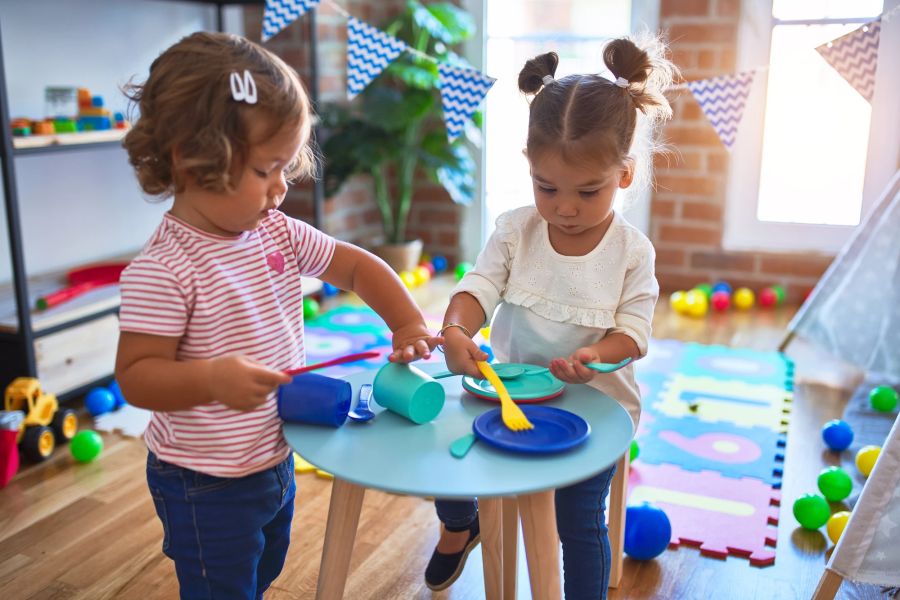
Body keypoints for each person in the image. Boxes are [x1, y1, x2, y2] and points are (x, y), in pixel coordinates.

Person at [114, 32, 441, 599]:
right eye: (267, 169)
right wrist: (211, 379)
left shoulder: (276, 232)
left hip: (273, 456)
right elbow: (136, 375)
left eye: (286, 167)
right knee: (224, 588)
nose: (282, 188)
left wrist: (407, 322)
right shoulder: (163, 270)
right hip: (202, 481)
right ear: (192, 162)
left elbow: (358, 268)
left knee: (265, 570)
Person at [425, 36, 676, 598]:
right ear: (529, 167)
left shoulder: (632, 252)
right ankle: (460, 523)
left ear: (625, 175)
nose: (565, 207)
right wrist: (456, 328)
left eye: (589, 191)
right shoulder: (517, 229)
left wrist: (595, 356)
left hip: (597, 407)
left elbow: (633, 334)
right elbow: (478, 287)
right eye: (547, 187)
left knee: (577, 521)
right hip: (509, 391)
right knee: (442, 444)